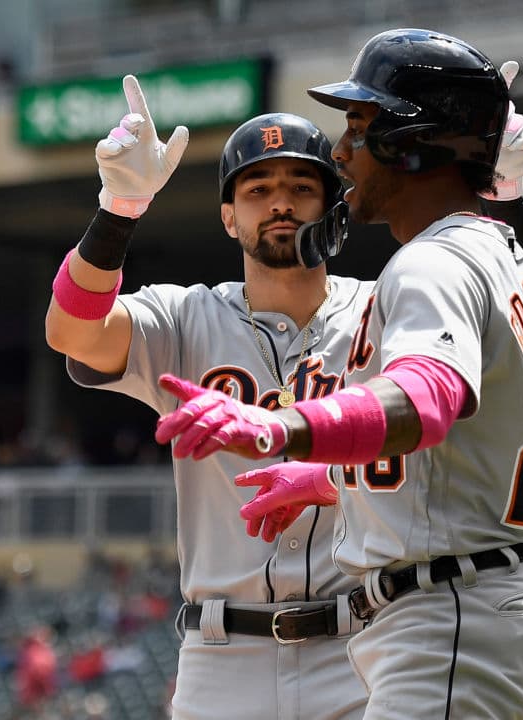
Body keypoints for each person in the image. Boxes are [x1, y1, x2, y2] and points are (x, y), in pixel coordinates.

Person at [152, 28, 523, 719]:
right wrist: (332, 476)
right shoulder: (508, 256)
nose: (342, 151)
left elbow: (427, 399)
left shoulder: (430, 263)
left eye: (359, 125)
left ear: (411, 143)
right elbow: (467, 438)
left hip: (455, 616)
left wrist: (278, 427)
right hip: (514, 606)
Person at [45, 76, 371, 719]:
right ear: (228, 216)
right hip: (224, 656)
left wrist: (336, 475)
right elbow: (73, 333)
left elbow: (448, 427)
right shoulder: (184, 317)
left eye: (303, 187)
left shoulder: (383, 312)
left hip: (361, 646)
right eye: (257, 189)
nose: (280, 203)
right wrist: (118, 210)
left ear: (334, 206)